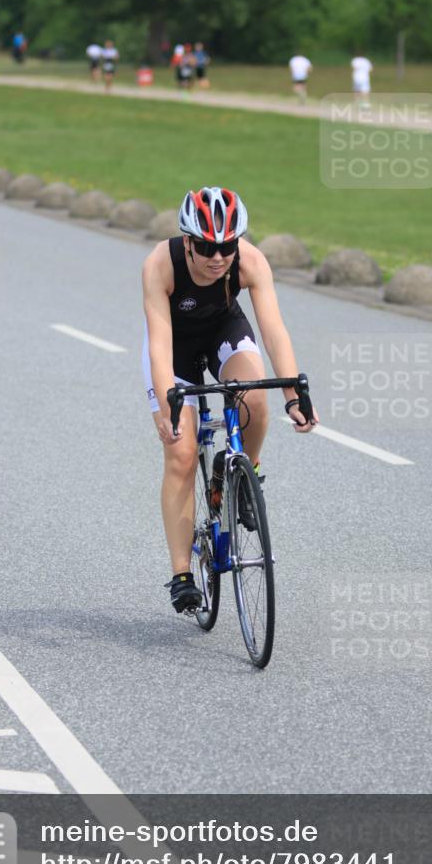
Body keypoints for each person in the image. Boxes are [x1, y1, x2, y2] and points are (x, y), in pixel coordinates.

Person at [142, 187, 318, 613]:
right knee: (181, 455)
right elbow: (159, 345)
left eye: (226, 246)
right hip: (175, 347)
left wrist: (294, 395)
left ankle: (244, 474)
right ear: (187, 241)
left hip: (224, 330)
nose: (217, 257)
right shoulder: (159, 265)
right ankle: (183, 573)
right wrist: (169, 407)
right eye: (206, 247)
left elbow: (274, 330)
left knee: (254, 400)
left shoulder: (251, 260)